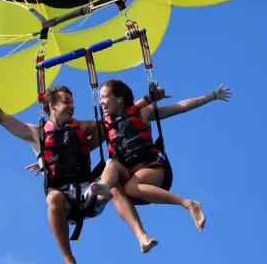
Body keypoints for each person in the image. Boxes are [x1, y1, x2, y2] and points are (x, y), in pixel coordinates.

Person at [0, 70, 168, 264]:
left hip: (90, 191)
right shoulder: (35, 134)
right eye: (67, 102)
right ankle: (70, 262)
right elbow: (0, 117)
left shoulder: (83, 127)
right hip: (65, 199)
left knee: (111, 184)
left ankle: (141, 235)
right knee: (52, 199)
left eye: (72, 102)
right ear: (52, 106)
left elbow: (119, 115)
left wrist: (147, 100)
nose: (72, 106)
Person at [91, 79, 232, 232]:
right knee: (111, 164)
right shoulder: (104, 126)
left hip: (152, 168)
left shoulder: (142, 113)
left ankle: (188, 204)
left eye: (104, 97)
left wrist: (212, 95)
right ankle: (104, 188)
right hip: (129, 176)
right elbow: (83, 142)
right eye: (99, 99)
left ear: (119, 98)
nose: (101, 102)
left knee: (131, 188)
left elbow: (180, 107)